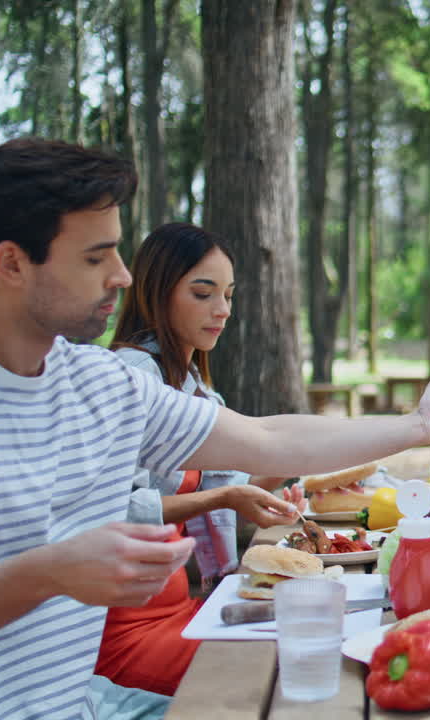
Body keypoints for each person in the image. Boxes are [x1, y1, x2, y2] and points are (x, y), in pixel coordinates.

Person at [0, 138, 430, 719]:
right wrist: (46, 574)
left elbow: (265, 440)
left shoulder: (102, 384)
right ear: (11, 264)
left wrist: (423, 424)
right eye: (96, 257)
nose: (123, 275)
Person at [93, 222, 297, 696]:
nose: (222, 310)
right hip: (124, 627)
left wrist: (284, 482)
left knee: (313, 622)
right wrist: (225, 495)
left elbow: (230, 488)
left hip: (184, 604)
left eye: (228, 294)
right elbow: (111, 508)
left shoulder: (195, 388)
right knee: (283, 664)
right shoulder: (130, 373)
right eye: (203, 293)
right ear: (157, 291)